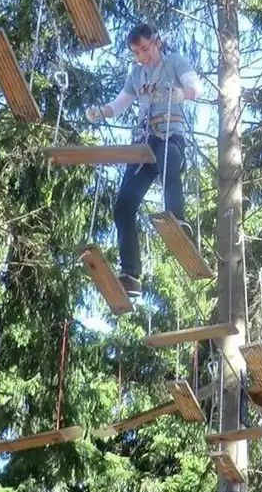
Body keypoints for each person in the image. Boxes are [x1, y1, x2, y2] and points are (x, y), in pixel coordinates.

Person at [85, 24, 204, 298]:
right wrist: (100, 112)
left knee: (168, 163)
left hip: (170, 136)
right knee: (123, 207)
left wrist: (181, 93)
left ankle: (178, 219)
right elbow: (119, 105)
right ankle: (130, 275)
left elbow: (195, 87)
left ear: (157, 42)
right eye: (136, 52)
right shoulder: (137, 74)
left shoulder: (175, 62)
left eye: (146, 49)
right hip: (144, 143)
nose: (142, 56)